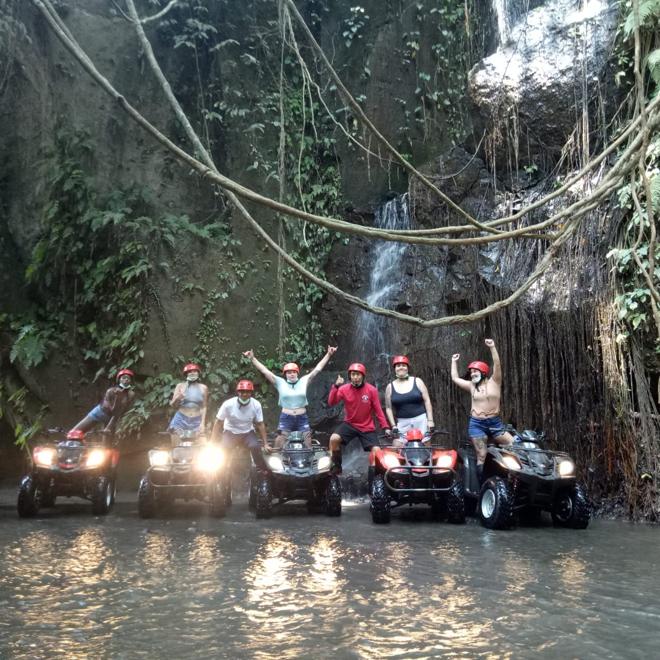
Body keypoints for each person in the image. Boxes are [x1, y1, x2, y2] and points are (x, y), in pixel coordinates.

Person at [243, 346, 337, 446]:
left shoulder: (304, 380)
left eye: (293, 372)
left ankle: (307, 461)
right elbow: (265, 371)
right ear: (285, 374)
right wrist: (253, 358)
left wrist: (328, 354)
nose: (291, 374)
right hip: (286, 417)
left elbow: (318, 369)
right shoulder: (280, 382)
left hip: (302, 417)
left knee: (307, 442)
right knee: (280, 441)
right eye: (289, 372)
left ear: (297, 373)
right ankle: (278, 460)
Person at [451, 338, 513, 483]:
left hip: (495, 423)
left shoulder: (495, 381)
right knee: (481, 454)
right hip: (477, 423)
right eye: (471, 372)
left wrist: (492, 347)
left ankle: (512, 479)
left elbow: (497, 364)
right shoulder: (472, 386)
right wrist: (454, 361)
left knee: (514, 445)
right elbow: (454, 378)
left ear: (484, 372)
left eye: (475, 371)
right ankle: (481, 485)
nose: (472, 374)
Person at [327, 362, 390, 474]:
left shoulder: (371, 390)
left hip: (367, 427)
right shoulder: (344, 389)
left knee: (377, 451)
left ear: (363, 375)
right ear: (350, 376)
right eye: (353, 374)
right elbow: (331, 402)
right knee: (334, 439)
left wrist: (385, 427)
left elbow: (378, 410)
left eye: (358, 374)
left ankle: (375, 477)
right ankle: (337, 466)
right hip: (350, 424)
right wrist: (336, 386)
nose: (355, 377)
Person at [210, 379, 270, 472]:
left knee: (255, 446)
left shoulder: (256, 404)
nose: (244, 394)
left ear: (251, 393)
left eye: (247, 392)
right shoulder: (228, 404)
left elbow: (260, 424)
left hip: (247, 432)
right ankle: (220, 469)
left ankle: (261, 470)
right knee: (223, 448)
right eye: (242, 392)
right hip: (231, 431)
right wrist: (212, 442)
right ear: (238, 392)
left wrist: (265, 444)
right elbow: (218, 422)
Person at [384, 355, 434, 443]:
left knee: (425, 447)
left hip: (421, 421)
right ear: (394, 368)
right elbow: (388, 408)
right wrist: (393, 426)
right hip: (402, 423)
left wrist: (430, 420)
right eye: (398, 366)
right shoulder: (390, 387)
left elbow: (427, 400)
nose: (401, 368)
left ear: (407, 367)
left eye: (403, 365)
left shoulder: (418, 381)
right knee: (397, 445)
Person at [71, 368, 136, 433]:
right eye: (123, 378)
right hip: (100, 411)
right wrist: (118, 398)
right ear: (119, 380)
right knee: (76, 431)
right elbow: (112, 408)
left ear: (131, 381)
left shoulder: (131, 394)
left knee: (107, 439)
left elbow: (121, 410)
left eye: (128, 378)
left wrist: (111, 425)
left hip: (111, 418)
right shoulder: (111, 391)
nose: (126, 380)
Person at [168, 363, 209, 436]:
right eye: (190, 371)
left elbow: (204, 406)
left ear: (198, 373)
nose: (192, 373)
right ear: (186, 374)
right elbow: (173, 405)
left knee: (199, 445)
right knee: (177, 444)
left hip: (196, 421)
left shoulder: (203, 388)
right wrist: (178, 398)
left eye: (194, 371)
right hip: (180, 420)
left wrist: (202, 423)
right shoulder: (180, 386)